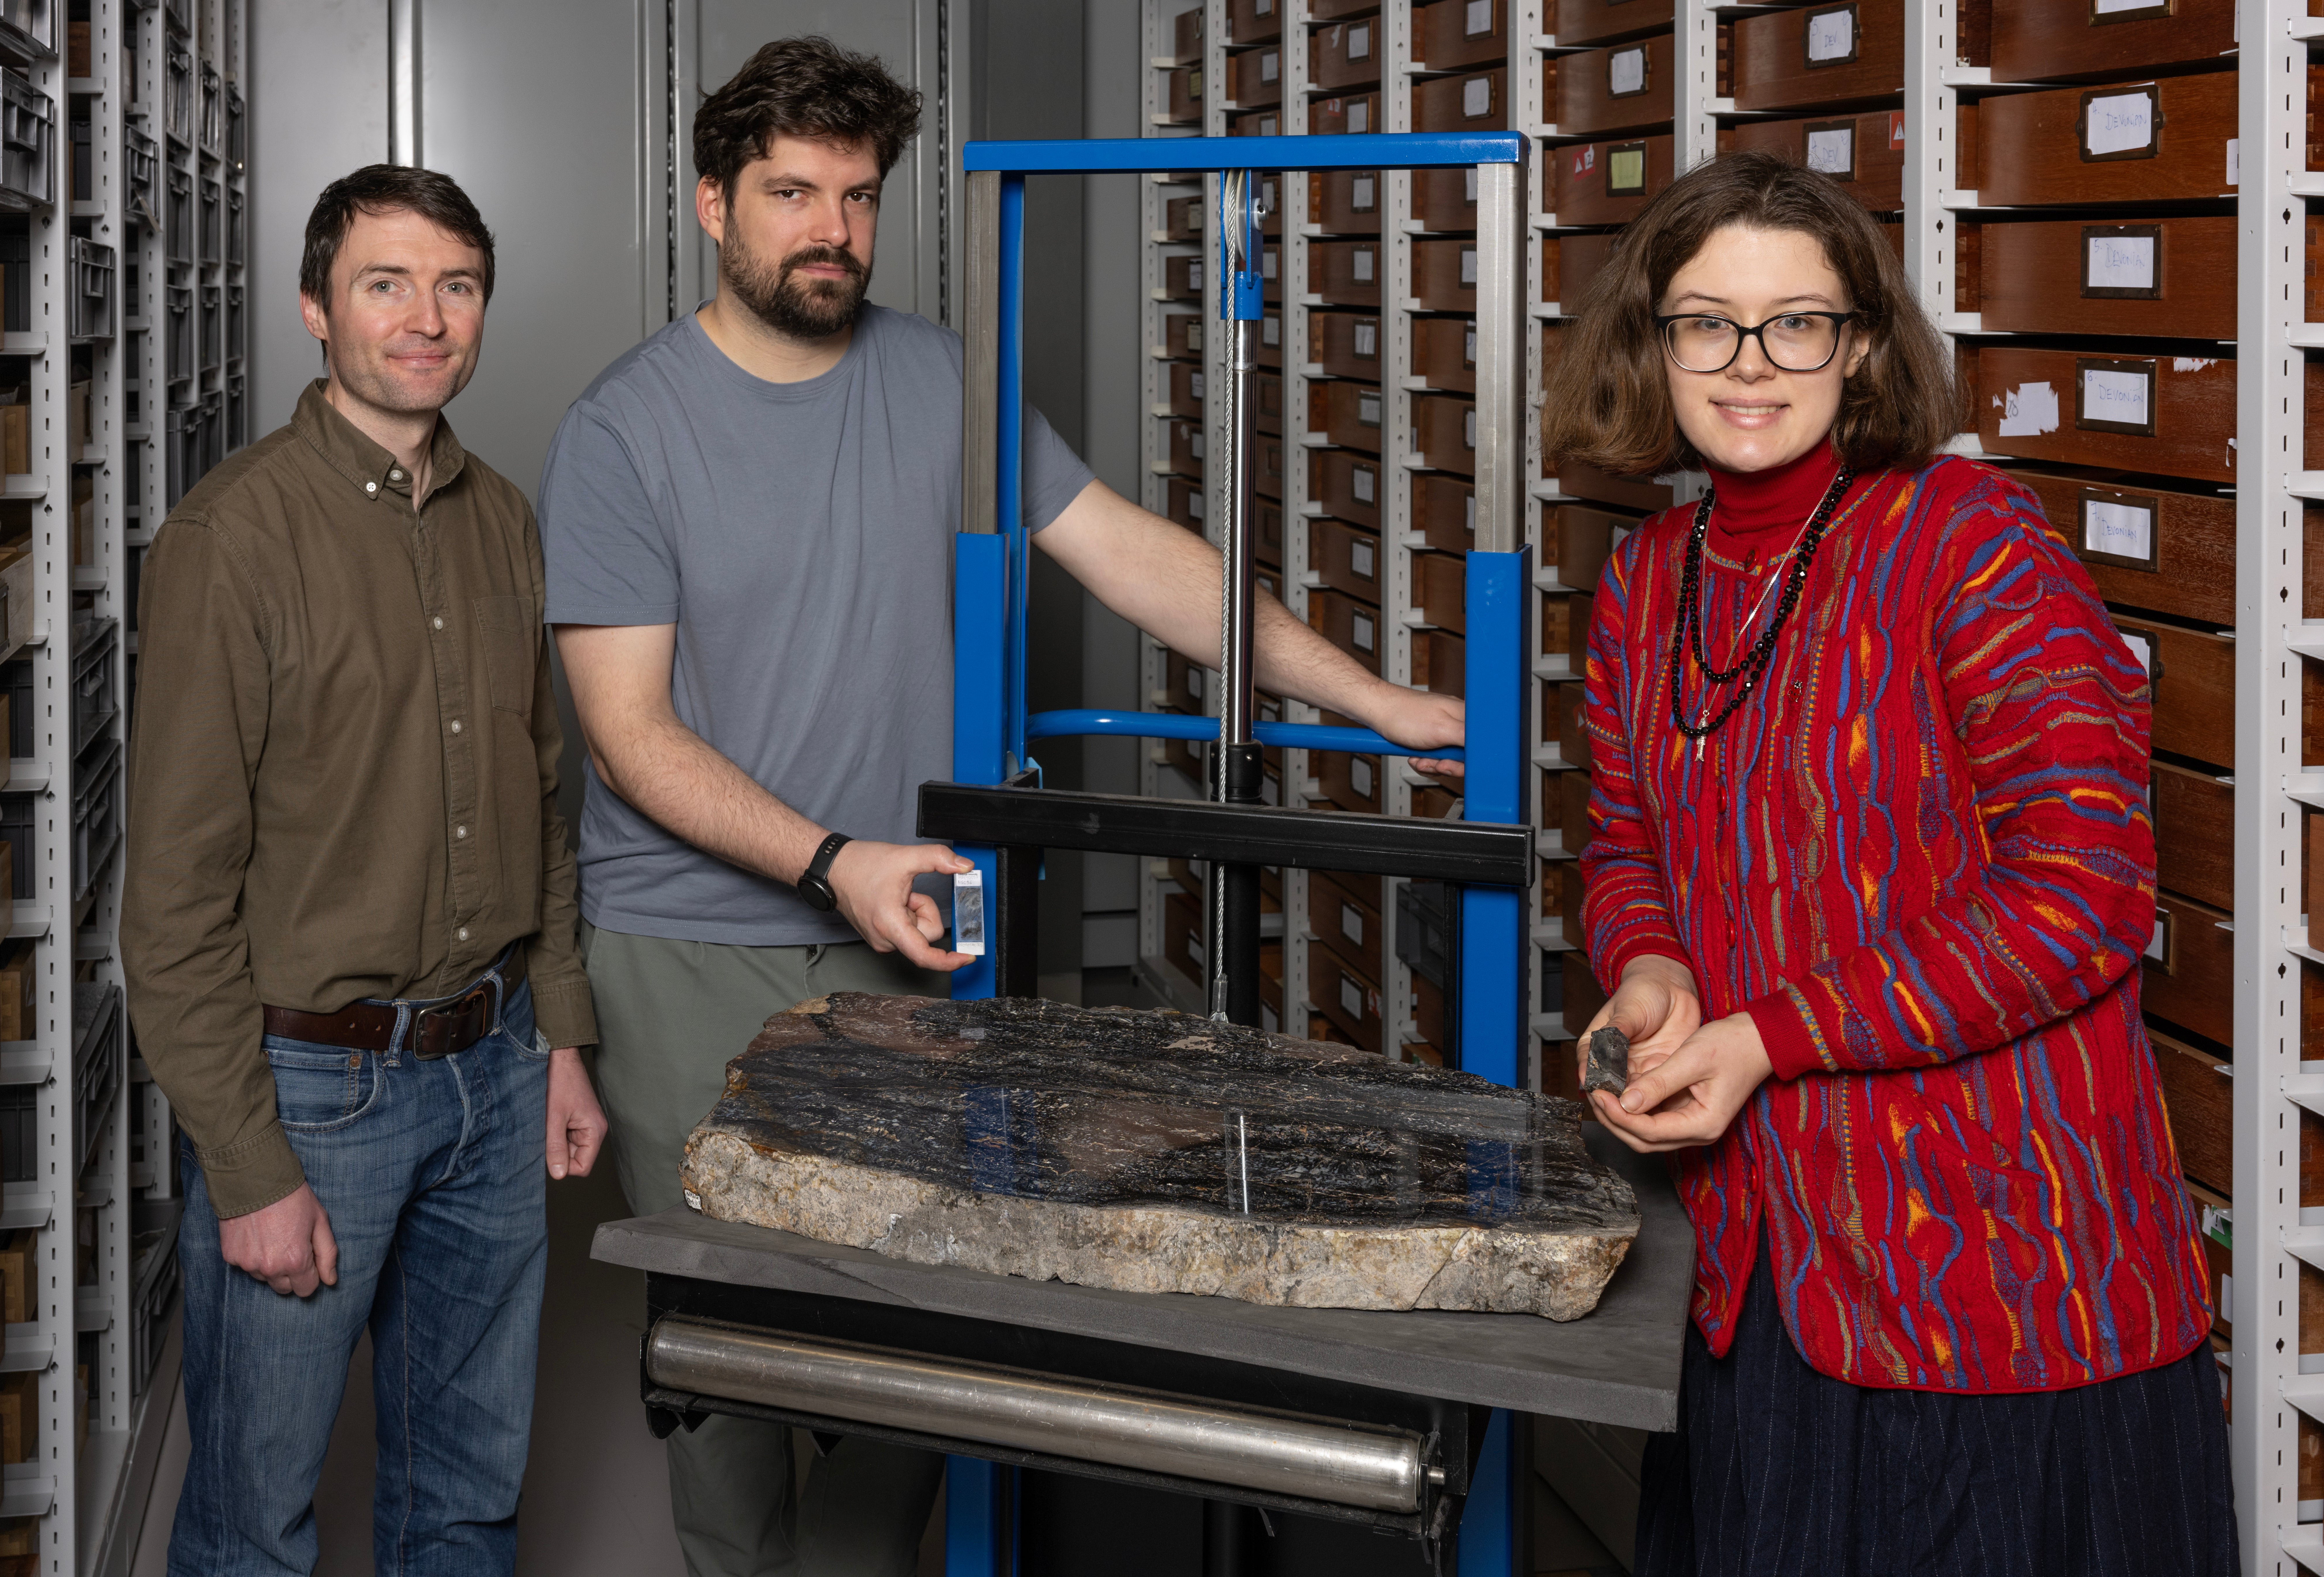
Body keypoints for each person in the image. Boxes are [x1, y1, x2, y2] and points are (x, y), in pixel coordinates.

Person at [537, 33, 1464, 1577]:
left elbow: (1138, 558)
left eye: (855, 193)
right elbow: (631, 739)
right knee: (738, 1349)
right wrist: (829, 860)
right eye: (789, 192)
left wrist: (1366, 701)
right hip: (691, 941)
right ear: (712, 205)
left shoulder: (943, 379)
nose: (828, 226)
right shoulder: (622, 430)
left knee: (917, 1334)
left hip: (910, 932)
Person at [1542, 150, 2233, 1576]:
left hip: (1995, 1276)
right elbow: (1627, 841)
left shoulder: (1965, 544)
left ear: (1858, 350)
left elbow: (2087, 890)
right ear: (1652, 340)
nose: (1751, 363)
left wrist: (1764, 1036)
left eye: (1797, 322)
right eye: (1705, 322)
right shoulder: (1647, 578)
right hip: (1765, 1273)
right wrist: (1655, 971)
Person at [122, 165, 608, 1576]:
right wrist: (249, 1165)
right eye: (385, 284)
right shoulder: (233, 541)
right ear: (314, 310)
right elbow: (172, 908)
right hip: (312, 1096)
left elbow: (543, 797)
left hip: (496, 1064)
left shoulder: (504, 515)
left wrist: (563, 1040)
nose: (425, 319)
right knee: (253, 1523)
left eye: (456, 286)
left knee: (465, 1495)